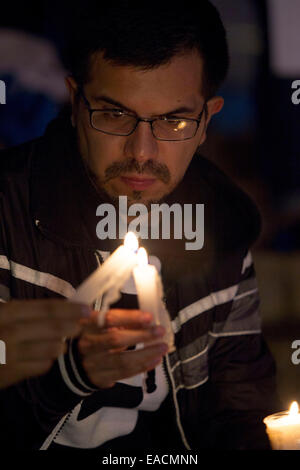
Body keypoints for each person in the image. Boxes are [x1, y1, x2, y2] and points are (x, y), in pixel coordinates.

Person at [0, 0, 280, 451]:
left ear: (207, 119)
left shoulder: (223, 223)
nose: (143, 152)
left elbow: (238, 406)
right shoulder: (8, 215)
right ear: (75, 102)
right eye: (115, 115)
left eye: (174, 120)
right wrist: (67, 375)